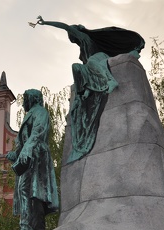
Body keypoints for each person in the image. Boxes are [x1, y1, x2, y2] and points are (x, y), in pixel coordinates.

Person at [31, 16, 145, 162]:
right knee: (76, 67)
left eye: (72, 34)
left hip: (100, 58)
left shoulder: (86, 38)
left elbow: (65, 26)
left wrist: (46, 22)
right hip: (90, 68)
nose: (72, 37)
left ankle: (110, 81)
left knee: (91, 62)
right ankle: (85, 89)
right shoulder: (82, 46)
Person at [6, 89, 59, 230]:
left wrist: (26, 150)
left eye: (25, 99)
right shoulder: (30, 114)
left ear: (32, 99)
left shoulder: (40, 112)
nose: (22, 103)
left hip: (36, 156)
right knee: (32, 193)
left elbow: (38, 132)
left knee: (28, 190)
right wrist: (16, 154)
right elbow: (25, 141)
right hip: (29, 157)